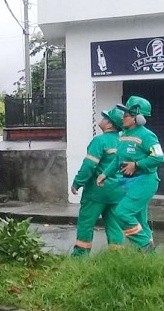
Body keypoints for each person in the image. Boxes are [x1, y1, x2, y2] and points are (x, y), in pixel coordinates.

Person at [97, 96, 164, 252]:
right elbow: (117, 159)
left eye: (126, 115)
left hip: (145, 181)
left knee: (122, 213)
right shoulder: (124, 135)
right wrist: (105, 174)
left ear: (137, 118)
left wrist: (137, 164)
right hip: (129, 183)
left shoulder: (147, 135)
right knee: (140, 219)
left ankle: (146, 248)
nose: (122, 117)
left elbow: (159, 157)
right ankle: (148, 258)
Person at [70, 108, 125, 257]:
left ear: (110, 125)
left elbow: (89, 165)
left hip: (97, 192)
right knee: (115, 226)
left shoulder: (99, 141)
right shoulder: (123, 141)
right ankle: (117, 258)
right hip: (118, 192)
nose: (102, 119)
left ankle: (80, 257)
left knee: (86, 223)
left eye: (105, 117)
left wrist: (77, 183)